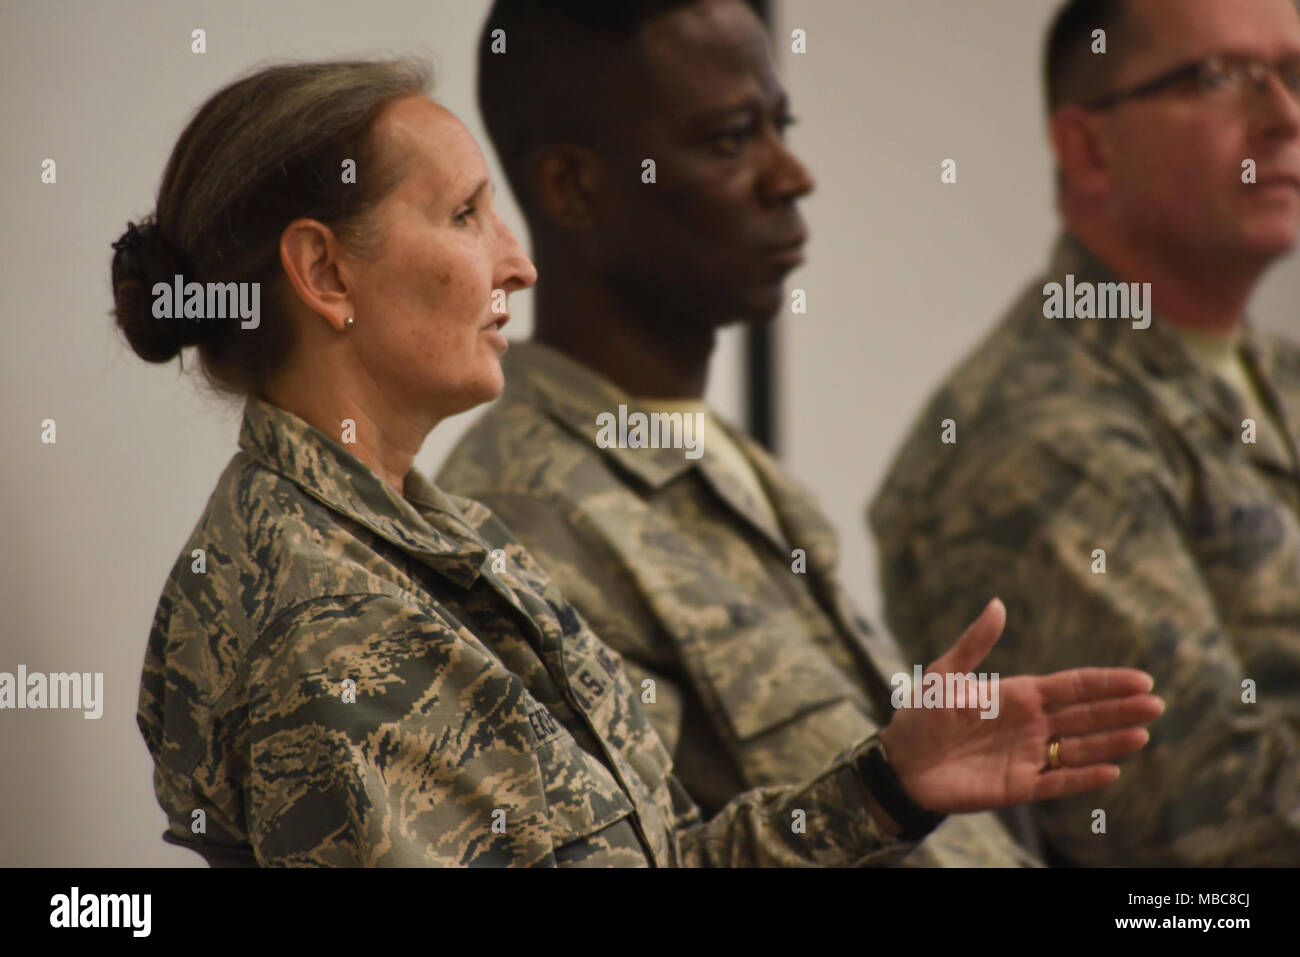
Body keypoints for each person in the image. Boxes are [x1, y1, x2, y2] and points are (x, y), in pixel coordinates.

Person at [117, 56, 1161, 868]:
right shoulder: (322, 617)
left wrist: (887, 786)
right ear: (324, 271)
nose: (516, 261)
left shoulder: (427, 544)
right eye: (465, 214)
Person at [443, 0, 1036, 866]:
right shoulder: (524, 527)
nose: (790, 175)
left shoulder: (721, 460)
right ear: (573, 187)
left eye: (778, 127)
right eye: (729, 140)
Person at [871, 0, 1300, 866]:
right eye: (1218, 78)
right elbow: (1213, 832)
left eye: (1294, 74)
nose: (1284, 116)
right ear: (1087, 148)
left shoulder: (1274, 369)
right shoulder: (1038, 438)